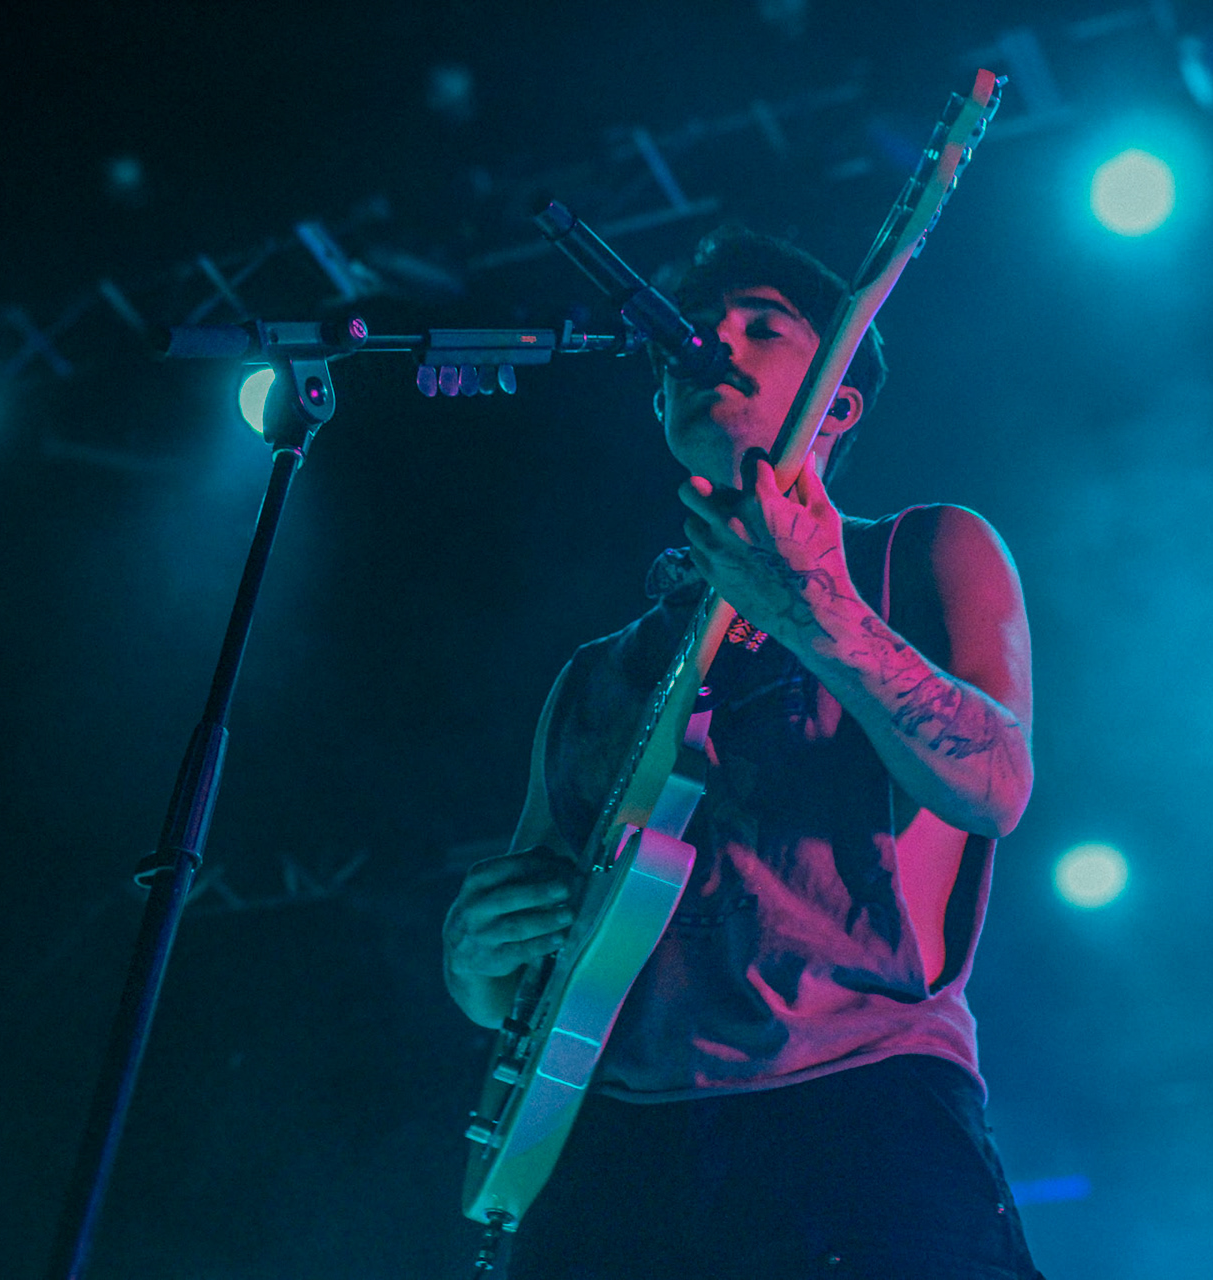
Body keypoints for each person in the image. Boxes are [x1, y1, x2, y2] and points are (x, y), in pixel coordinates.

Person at [442, 228, 1043, 1279]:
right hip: (624, 1145)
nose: (712, 335)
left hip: (863, 1104)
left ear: (840, 401)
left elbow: (994, 784)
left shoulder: (926, 547)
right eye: (698, 329)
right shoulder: (596, 673)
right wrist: (472, 962)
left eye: (761, 324)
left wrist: (817, 612)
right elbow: (540, 959)